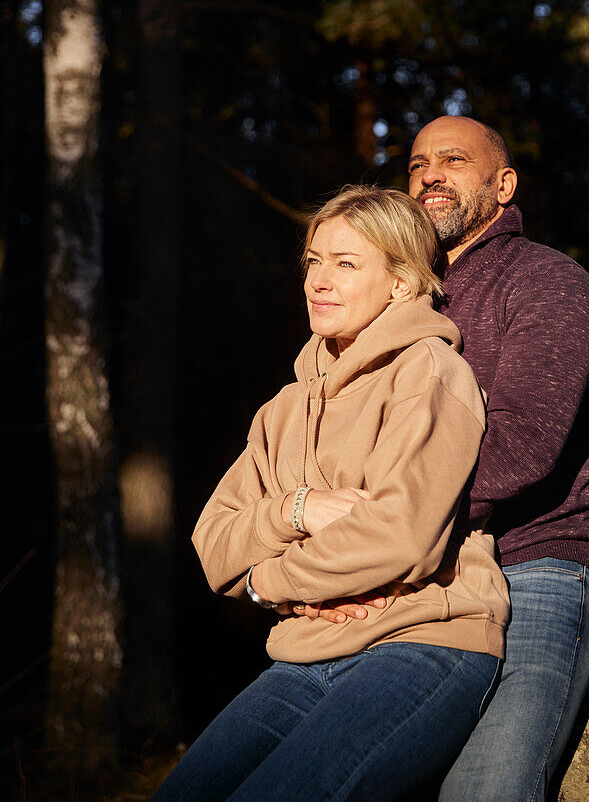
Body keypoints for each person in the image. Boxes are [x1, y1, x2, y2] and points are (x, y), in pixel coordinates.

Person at [152, 185, 510, 802]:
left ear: (400, 283)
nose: (319, 280)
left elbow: (400, 540)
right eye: (314, 261)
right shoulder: (285, 407)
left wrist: (271, 585)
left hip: (422, 640)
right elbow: (212, 542)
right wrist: (296, 509)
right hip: (307, 651)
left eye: (347, 264)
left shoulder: (428, 371)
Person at [306, 116, 589, 801]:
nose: (429, 176)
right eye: (417, 164)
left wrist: (387, 539)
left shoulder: (548, 281)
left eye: (453, 159)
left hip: (535, 562)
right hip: (417, 571)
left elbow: (523, 445)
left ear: (504, 184)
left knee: (486, 789)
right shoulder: (393, 299)